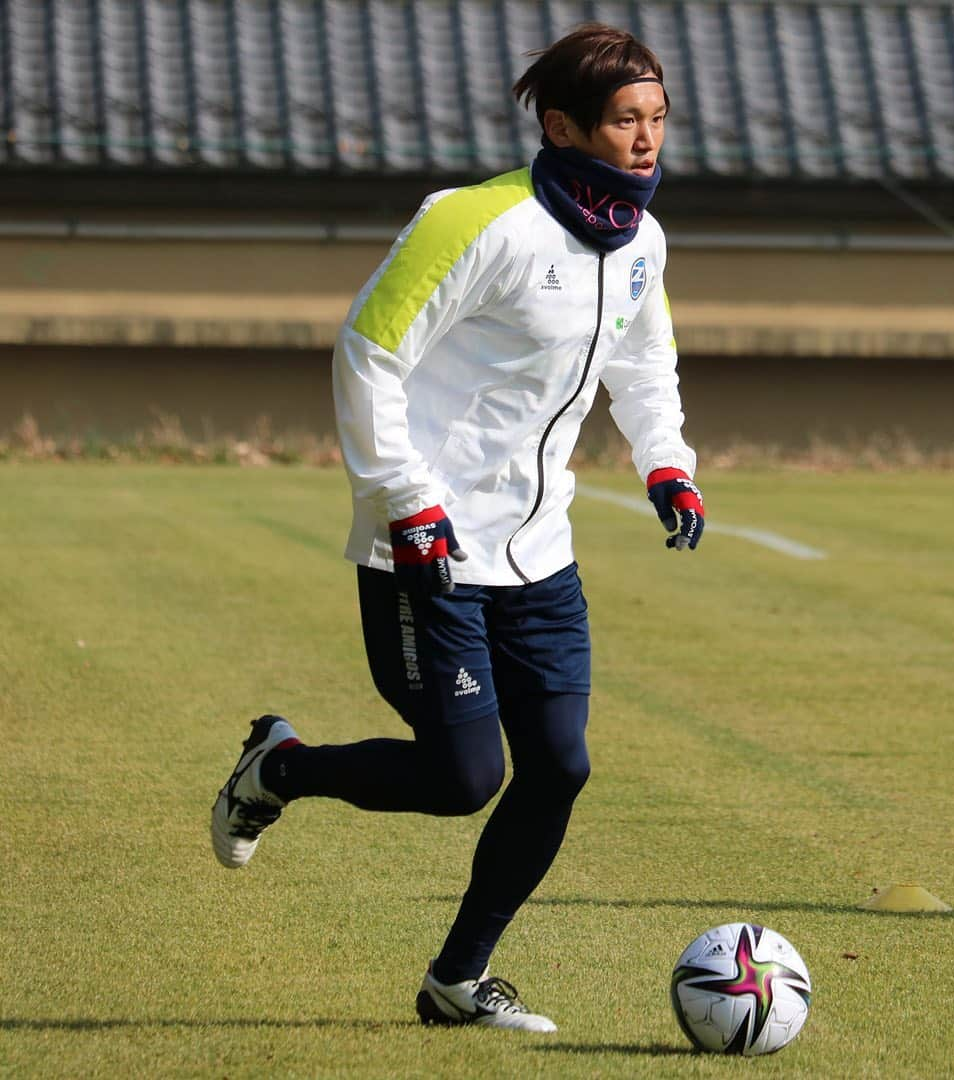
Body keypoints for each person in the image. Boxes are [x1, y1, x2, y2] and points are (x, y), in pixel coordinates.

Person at [211, 22, 705, 1033]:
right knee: (461, 778)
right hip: (426, 544)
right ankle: (280, 768)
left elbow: (643, 364)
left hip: (541, 552)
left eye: (657, 119)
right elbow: (368, 352)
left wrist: (668, 465)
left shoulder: (642, 241)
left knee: (561, 766)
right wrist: (408, 501)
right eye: (626, 121)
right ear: (562, 125)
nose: (647, 140)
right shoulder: (477, 221)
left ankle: (456, 983)